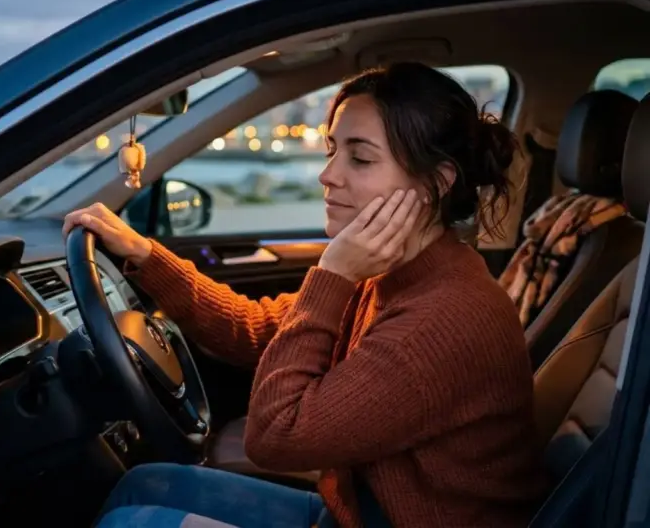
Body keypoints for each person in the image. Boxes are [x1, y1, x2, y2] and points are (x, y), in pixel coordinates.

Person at [63, 62, 547, 528]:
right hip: (352, 514)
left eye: (359, 157)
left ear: (435, 184)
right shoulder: (393, 271)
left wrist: (333, 273)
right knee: (143, 487)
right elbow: (255, 328)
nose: (328, 174)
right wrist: (146, 255)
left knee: (133, 522)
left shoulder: (443, 318)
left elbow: (274, 437)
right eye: (332, 149)